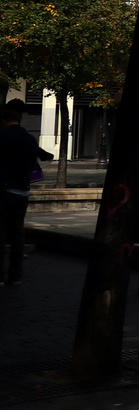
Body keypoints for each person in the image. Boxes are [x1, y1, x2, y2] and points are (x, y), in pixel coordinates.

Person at [1, 101, 51, 285]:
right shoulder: (30, 138)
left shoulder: (3, 136)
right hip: (23, 190)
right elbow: (41, 156)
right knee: (17, 234)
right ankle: (16, 275)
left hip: (5, 189)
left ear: (4, 120)